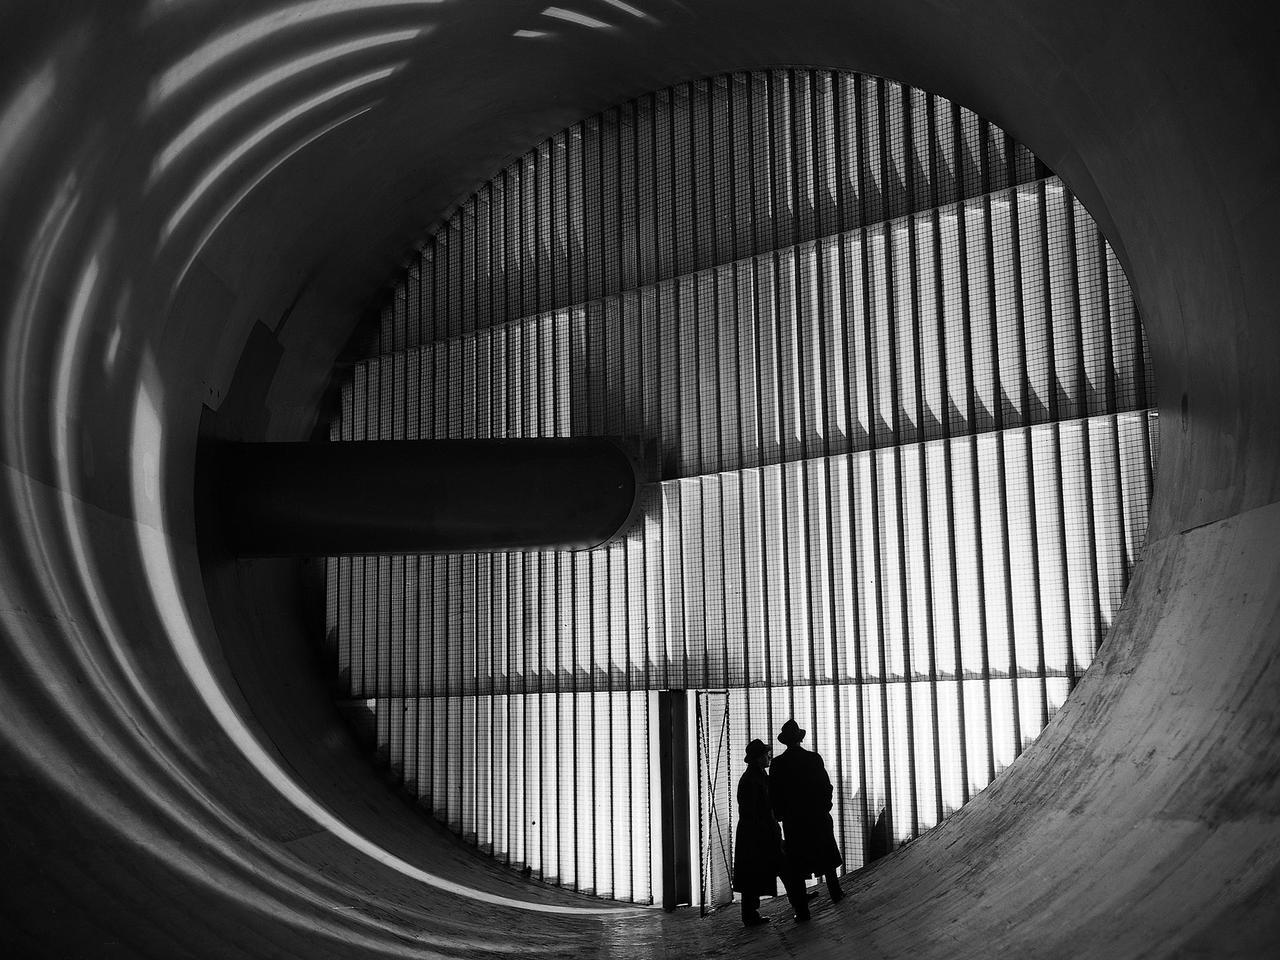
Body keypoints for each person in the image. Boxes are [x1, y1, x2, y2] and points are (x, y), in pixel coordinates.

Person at [732, 738, 811, 925]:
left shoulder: (753, 777)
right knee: (786, 870)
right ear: (758, 758)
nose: (769, 757)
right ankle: (800, 906)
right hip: (762, 835)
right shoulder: (756, 779)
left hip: (754, 836)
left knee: (752, 877)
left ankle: (751, 915)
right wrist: (773, 834)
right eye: (766, 754)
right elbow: (761, 811)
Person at [770, 718, 845, 904]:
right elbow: (826, 787)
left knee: (797, 860)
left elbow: (774, 794)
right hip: (817, 817)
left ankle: (802, 905)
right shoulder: (813, 758)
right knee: (826, 856)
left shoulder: (778, 764)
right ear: (800, 739)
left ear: (785, 741)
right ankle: (836, 893)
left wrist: (781, 815)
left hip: (794, 821)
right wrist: (824, 807)